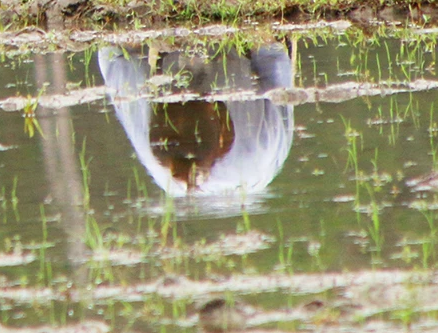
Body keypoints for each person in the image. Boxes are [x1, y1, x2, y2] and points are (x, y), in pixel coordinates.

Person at [97, 42, 296, 215]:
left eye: (193, 95)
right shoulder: (257, 149)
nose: (182, 91)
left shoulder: (256, 144)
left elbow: (111, 54)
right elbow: (274, 54)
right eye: (172, 97)